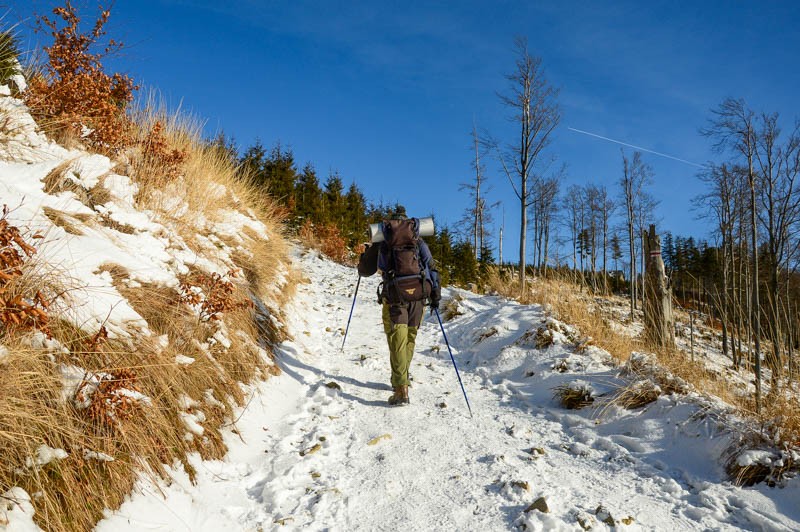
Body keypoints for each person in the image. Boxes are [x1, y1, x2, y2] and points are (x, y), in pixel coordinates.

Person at [357, 207, 440, 406]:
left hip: (395, 296)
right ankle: (401, 378)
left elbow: (365, 271)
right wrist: (435, 295)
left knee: (397, 341)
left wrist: (366, 253)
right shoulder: (418, 241)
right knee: (409, 339)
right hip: (418, 298)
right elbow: (432, 266)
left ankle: (401, 388)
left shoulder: (383, 241)